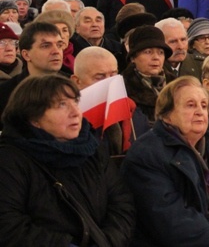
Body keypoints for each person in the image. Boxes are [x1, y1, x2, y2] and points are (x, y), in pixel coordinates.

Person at [121, 76, 209, 246]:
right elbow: (170, 219)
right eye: (190, 105)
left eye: (204, 105)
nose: (200, 112)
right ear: (167, 115)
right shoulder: (146, 153)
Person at [0, 75, 135, 245]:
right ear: (34, 119)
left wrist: (107, 241)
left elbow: (122, 203)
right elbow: (8, 225)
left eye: (76, 103)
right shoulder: (10, 160)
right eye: (62, 105)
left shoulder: (92, 149)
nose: (76, 113)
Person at [0, 22, 65, 119]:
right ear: (26, 55)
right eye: (46, 46)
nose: (56, 51)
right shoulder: (6, 94)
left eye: (59, 45)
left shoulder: (72, 87)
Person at [122, 26, 176, 136]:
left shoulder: (177, 85)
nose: (156, 57)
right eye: (148, 52)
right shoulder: (123, 88)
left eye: (160, 52)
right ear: (133, 57)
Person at [34, 9, 77, 74]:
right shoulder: (42, 61)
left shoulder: (77, 56)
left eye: (65, 30)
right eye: (56, 31)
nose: (62, 36)